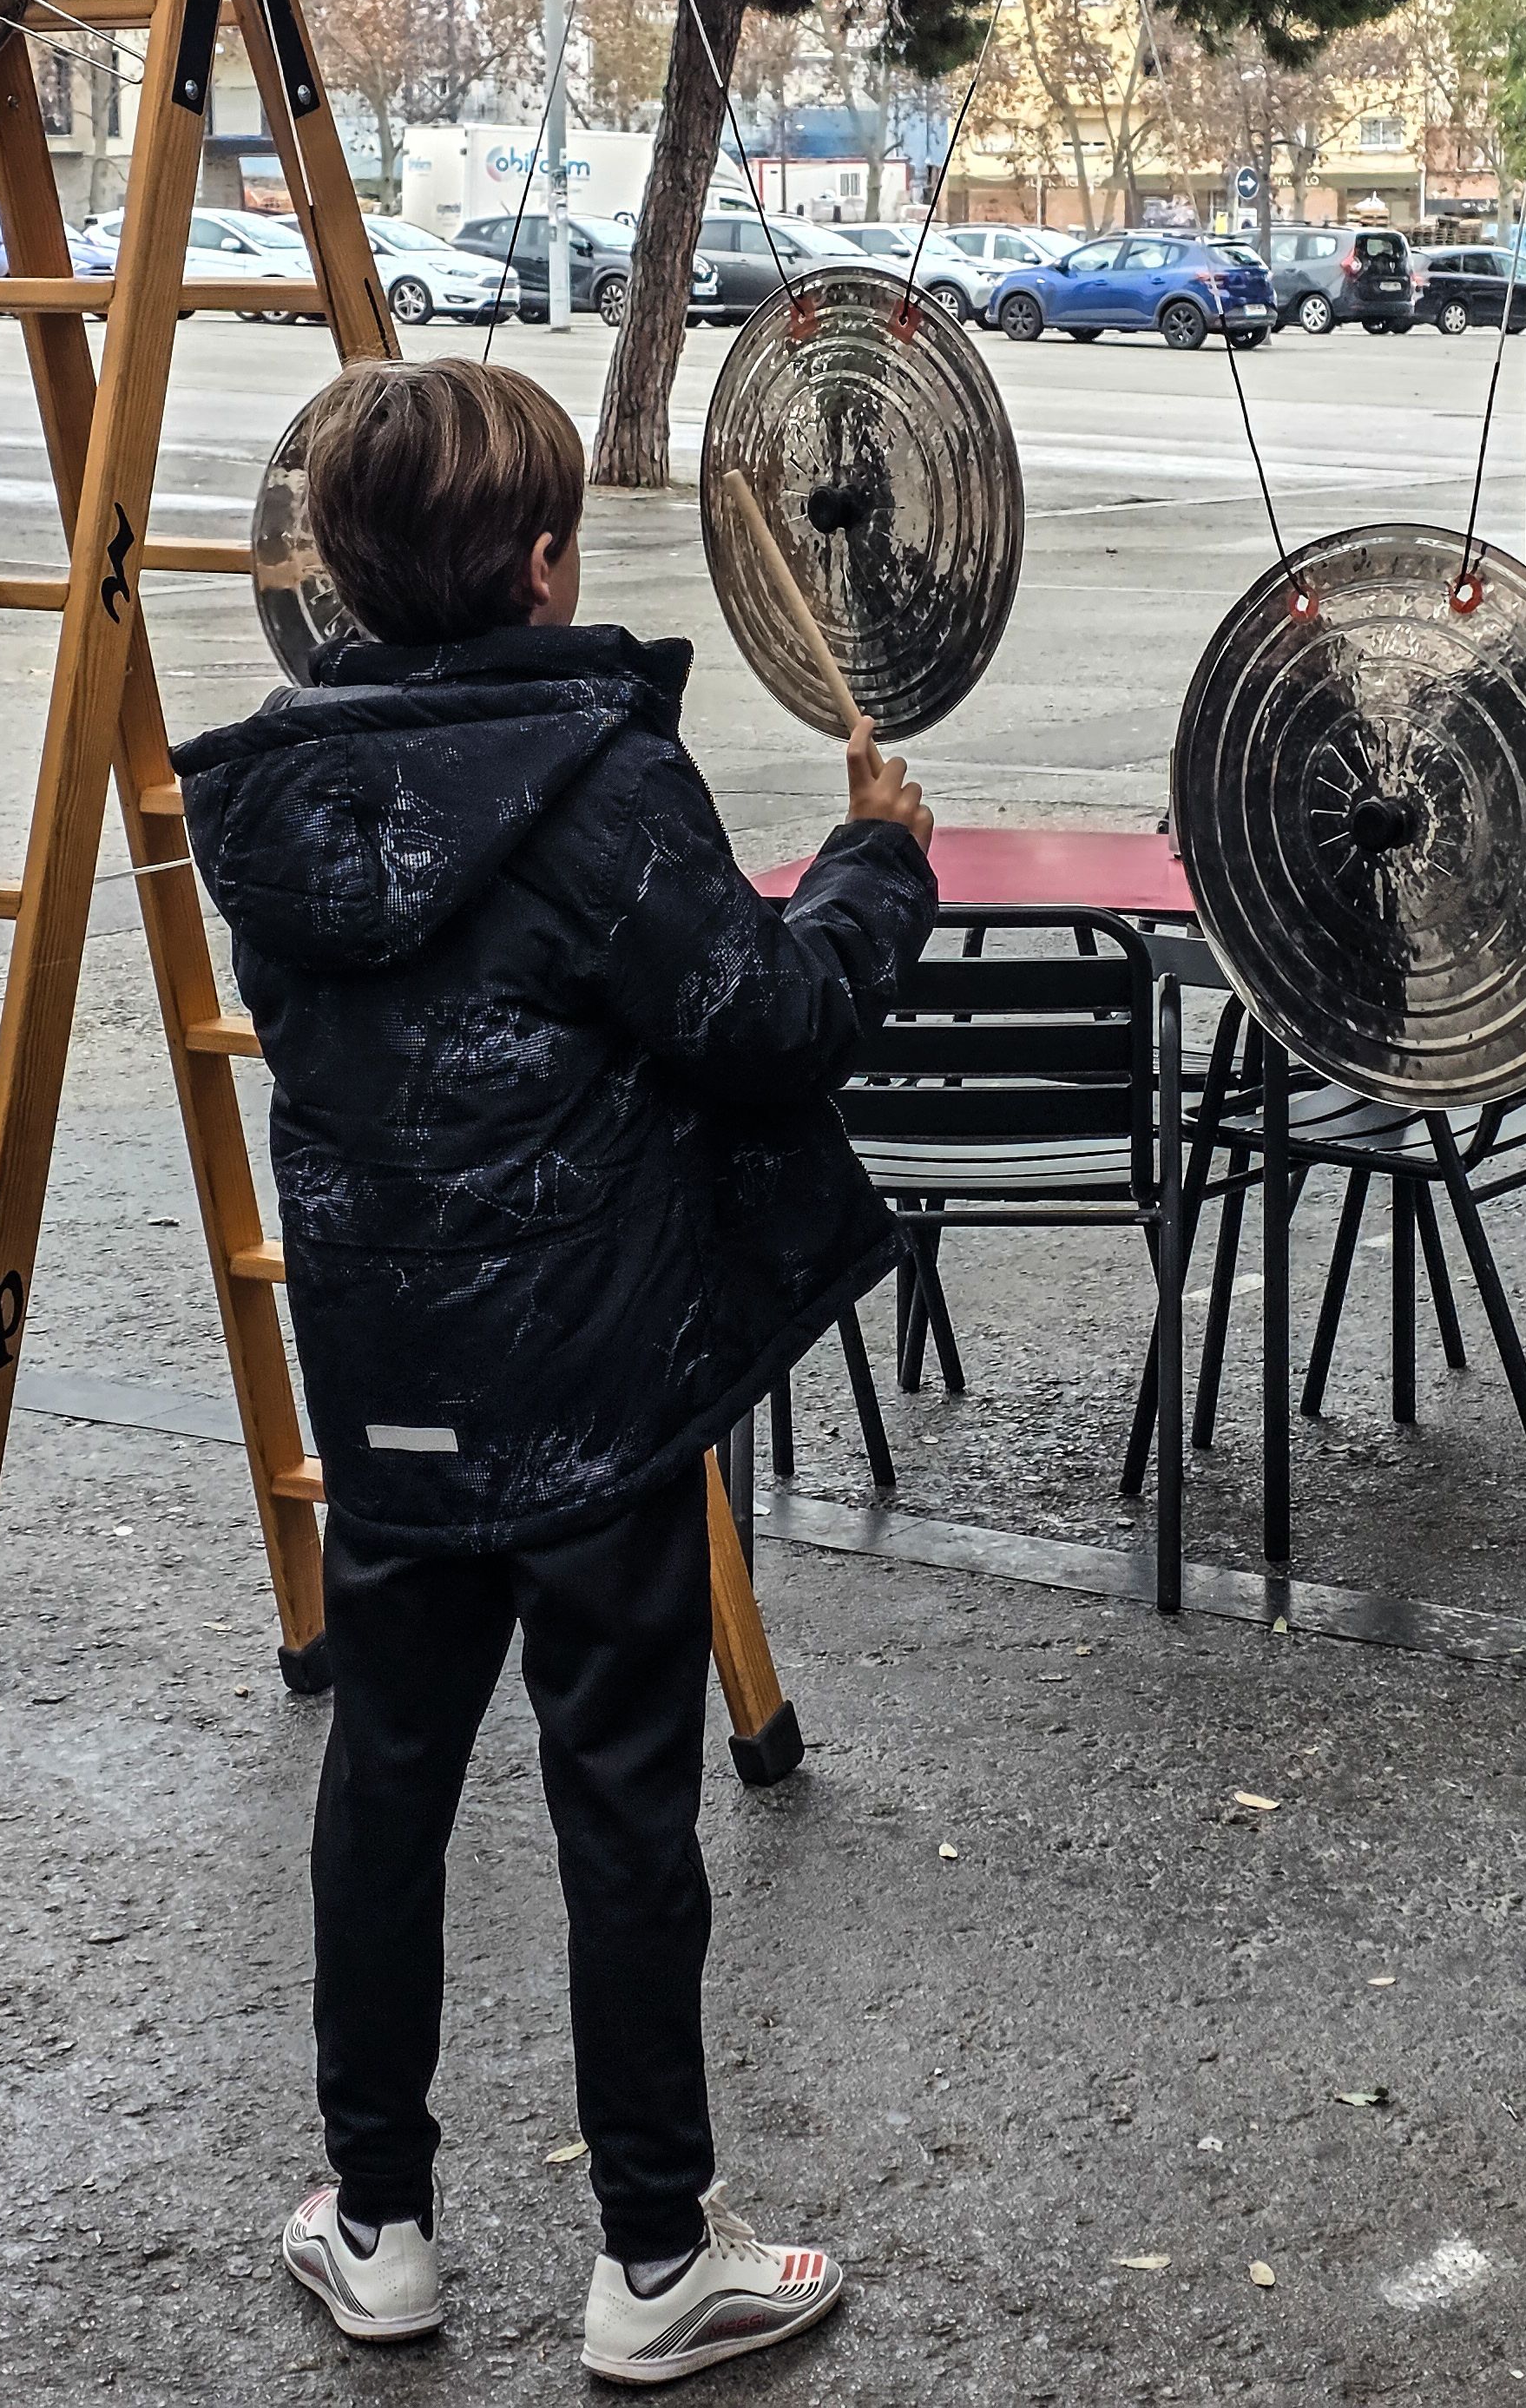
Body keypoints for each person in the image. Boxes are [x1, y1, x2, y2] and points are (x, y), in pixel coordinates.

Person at [173, 358, 937, 2385]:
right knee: (618, 1802)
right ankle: (654, 2258)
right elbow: (762, 1023)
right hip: (588, 1389)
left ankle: (383, 2221)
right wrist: (875, 864)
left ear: (331, 568)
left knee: (387, 1777)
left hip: (383, 1375)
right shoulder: (599, 780)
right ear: (541, 559)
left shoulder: (263, 796)